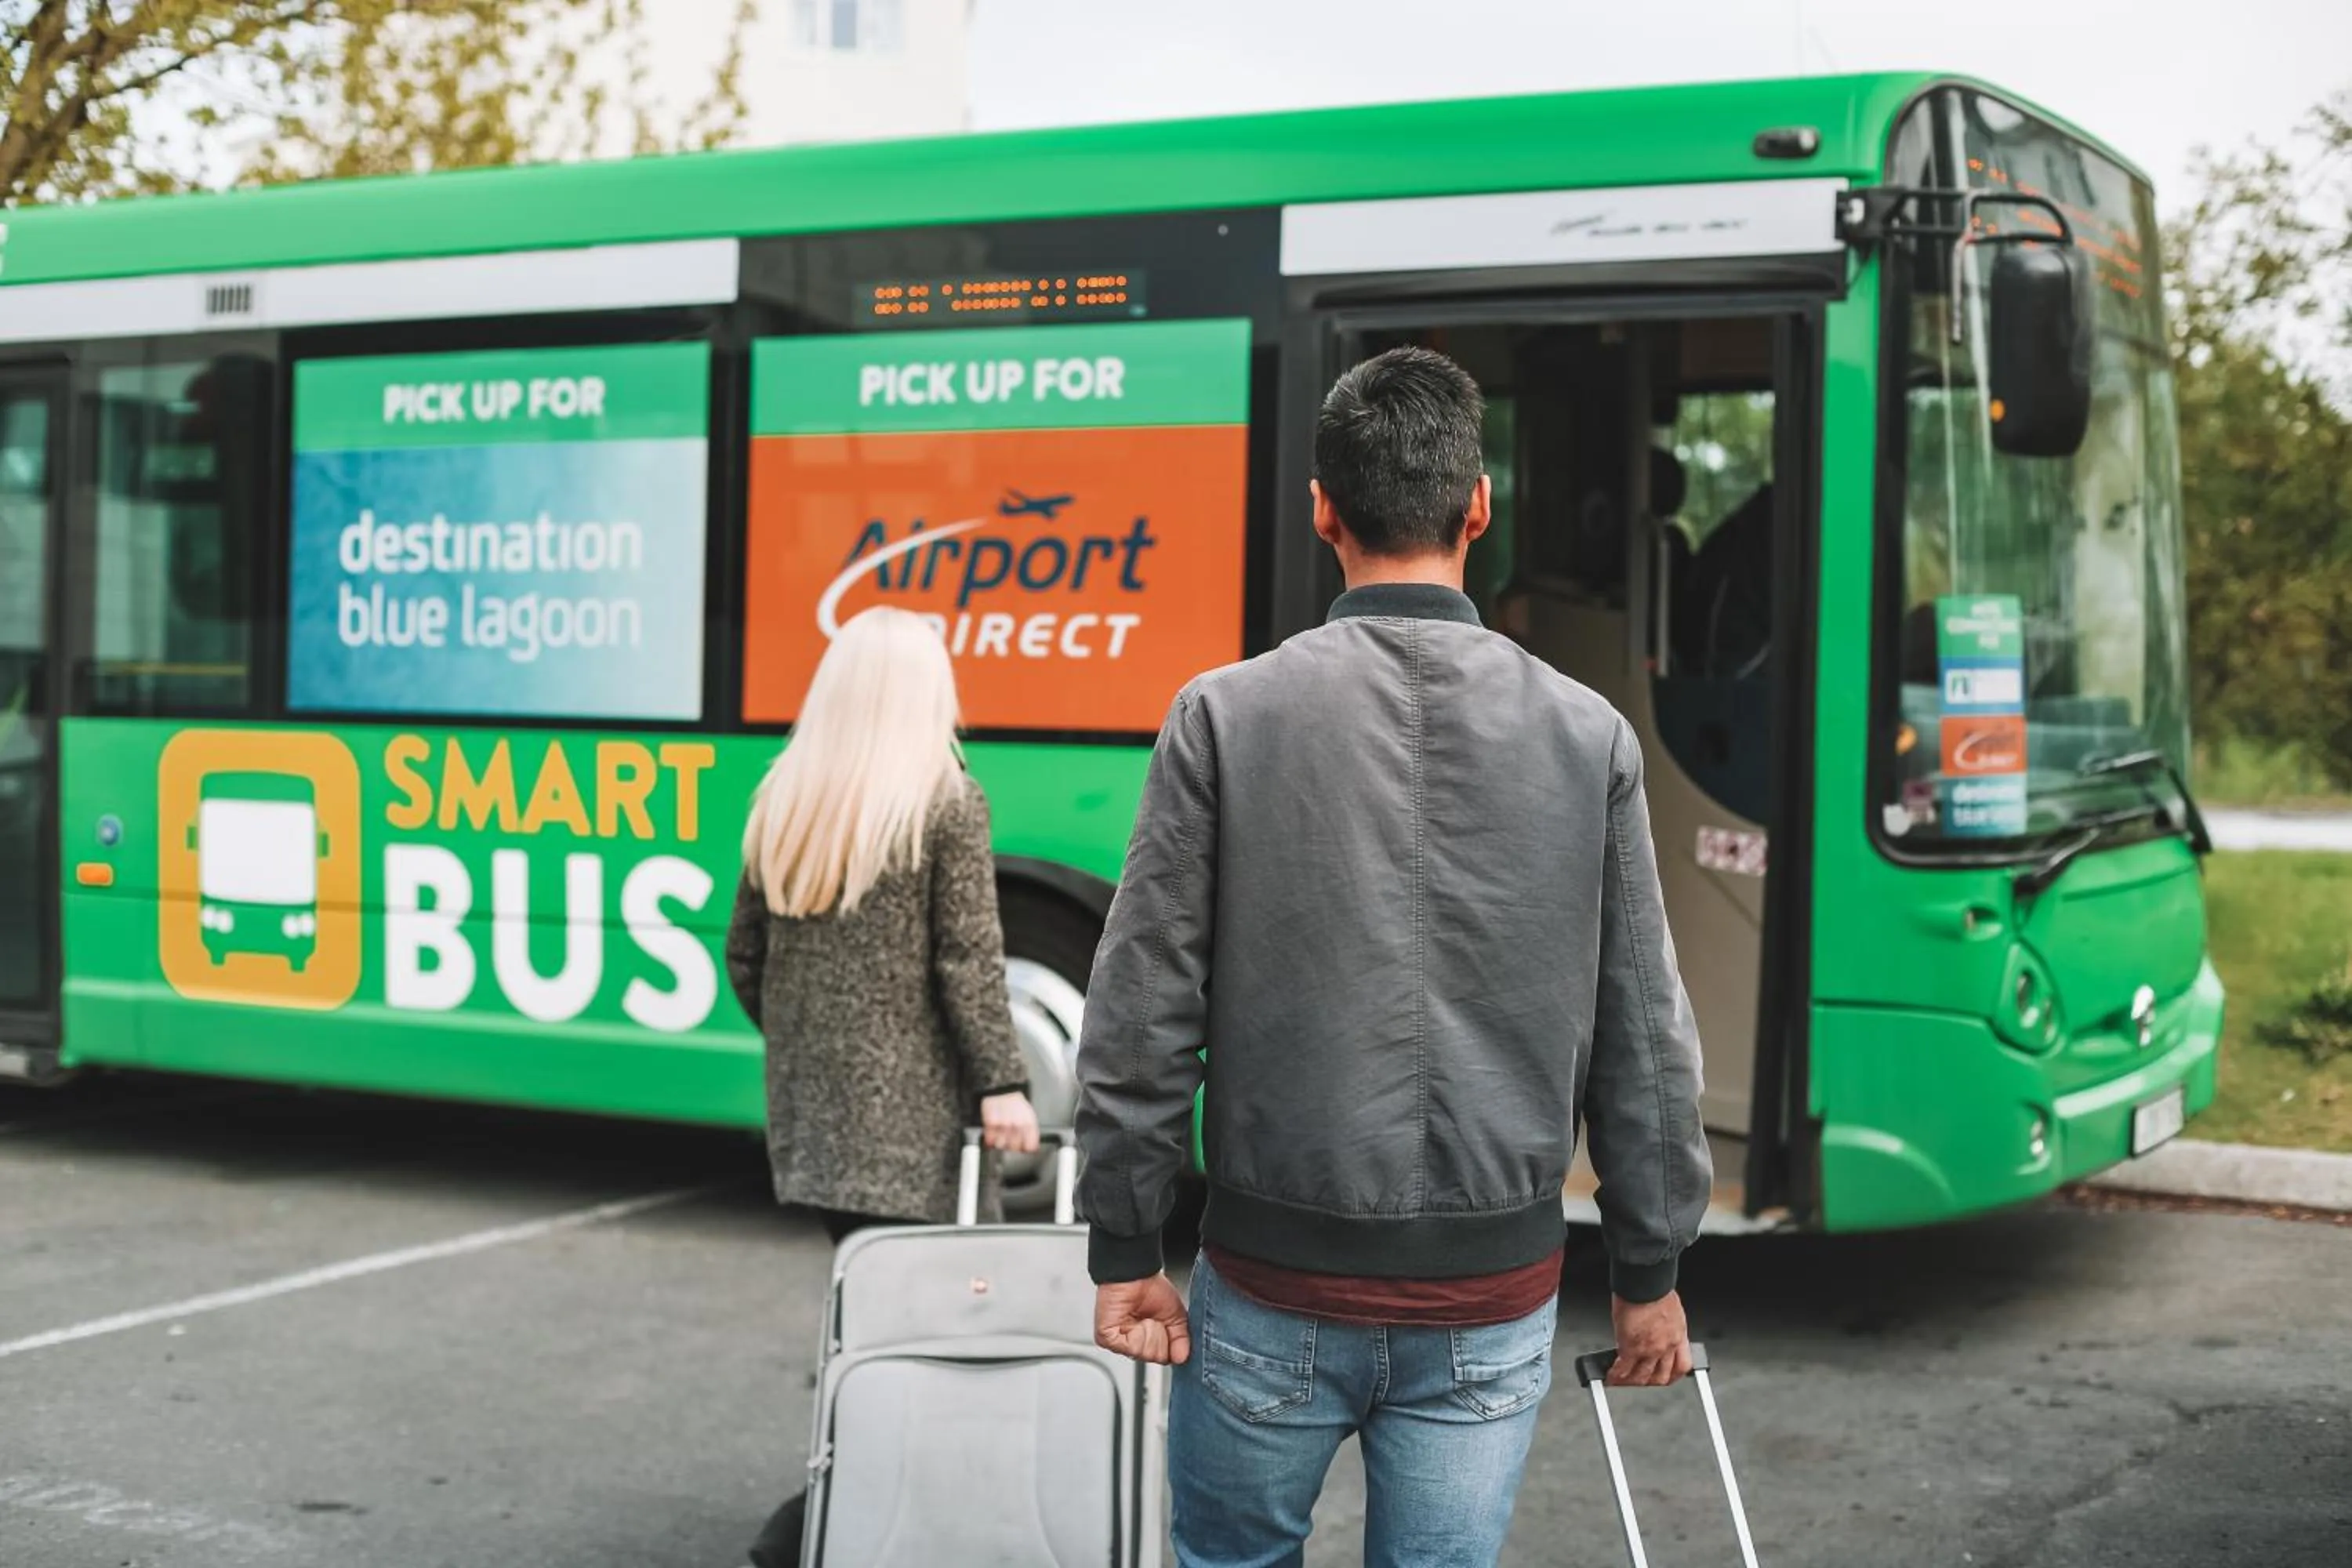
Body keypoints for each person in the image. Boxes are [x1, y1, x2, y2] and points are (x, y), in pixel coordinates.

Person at [1074, 347, 1712, 1568]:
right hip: (1494, 1300)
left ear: (1324, 509)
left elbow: (1141, 1009)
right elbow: (1644, 1030)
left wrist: (1126, 1246)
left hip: (1268, 1287)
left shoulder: (1222, 716)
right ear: (1480, 507)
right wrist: (1649, 1265)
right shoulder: (1591, 736)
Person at [724, 605, 1040, 1568]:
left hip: (815, 1124)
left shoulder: (786, 792)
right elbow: (969, 962)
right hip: (918, 1140)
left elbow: (747, 955)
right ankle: (834, 1520)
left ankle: (851, 1506)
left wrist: (815, 1051)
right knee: (929, 1331)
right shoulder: (946, 799)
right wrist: (1003, 1082)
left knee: (874, 1315)